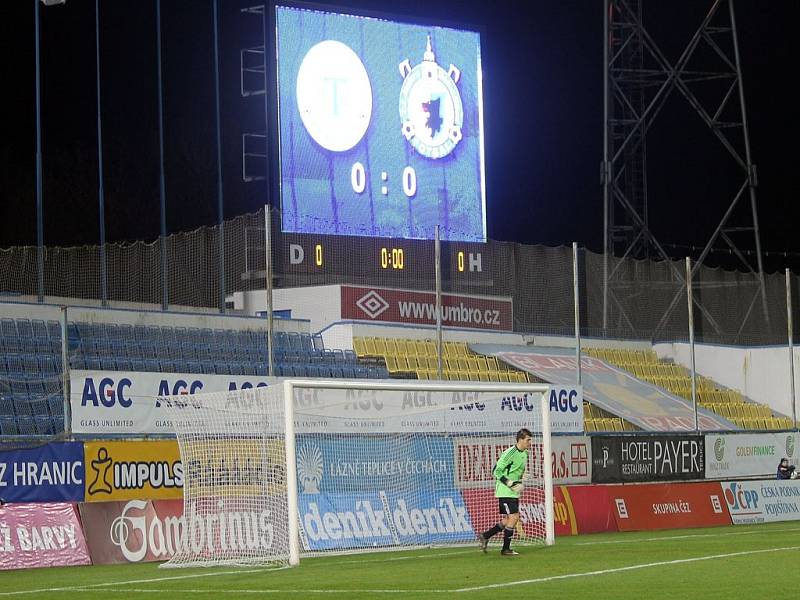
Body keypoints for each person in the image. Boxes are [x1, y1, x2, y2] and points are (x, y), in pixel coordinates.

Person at [478, 428, 533, 556]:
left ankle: (485, 536)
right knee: (514, 517)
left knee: (508, 519)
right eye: (528, 440)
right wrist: (510, 483)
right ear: (520, 439)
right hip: (505, 490)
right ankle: (505, 549)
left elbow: (515, 470)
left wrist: (522, 476)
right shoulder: (509, 453)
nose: (530, 442)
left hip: (513, 491)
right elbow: (495, 471)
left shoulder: (525, 453)